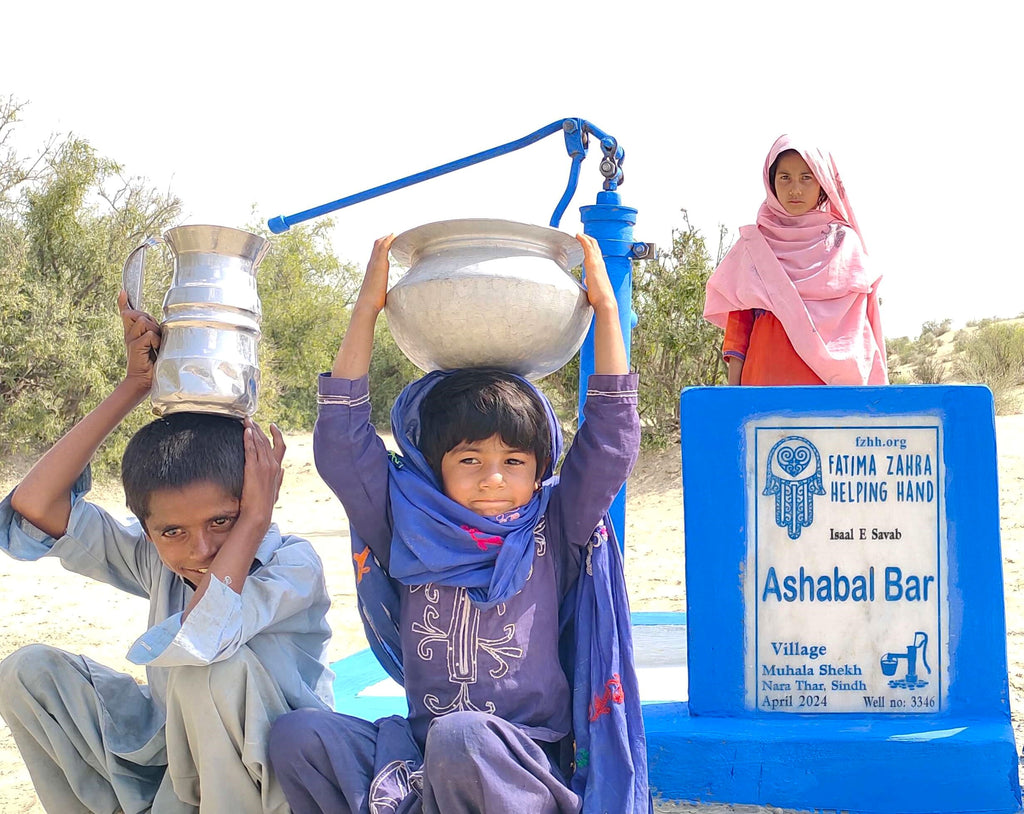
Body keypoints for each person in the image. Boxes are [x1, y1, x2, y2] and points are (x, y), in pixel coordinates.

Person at [268, 234, 651, 813]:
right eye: (470, 460)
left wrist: (605, 309)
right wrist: (367, 311)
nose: (493, 479)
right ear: (434, 466)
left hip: (522, 759)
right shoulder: (406, 520)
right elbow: (343, 449)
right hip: (421, 754)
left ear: (539, 466)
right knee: (297, 738)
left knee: (463, 736)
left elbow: (609, 446)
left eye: (514, 463)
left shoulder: (555, 526)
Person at [0, 292, 335, 813]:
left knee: (212, 669)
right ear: (148, 530)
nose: (199, 549)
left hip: (277, 783)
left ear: (256, 504)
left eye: (221, 521)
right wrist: (132, 387)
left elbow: (207, 635)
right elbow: (34, 506)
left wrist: (253, 523)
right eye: (172, 531)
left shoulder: (292, 565)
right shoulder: (157, 557)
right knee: (27, 671)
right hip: (178, 769)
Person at [703, 134, 888, 385]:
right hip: (763, 387)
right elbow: (738, 331)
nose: (795, 189)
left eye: (806, 177)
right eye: (785, 178)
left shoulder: (845, 244)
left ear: (822, 183)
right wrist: (735, 400)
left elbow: (858, 331)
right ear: (771, 182)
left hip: (831, 392)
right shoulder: (754, 246)